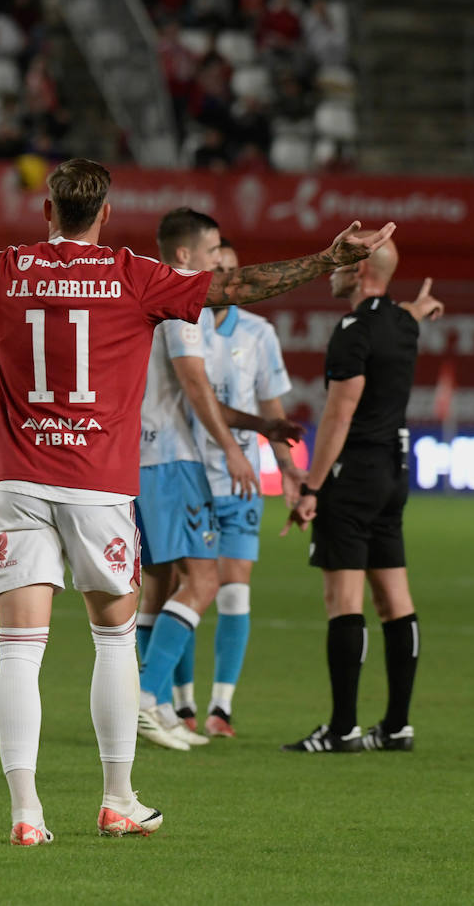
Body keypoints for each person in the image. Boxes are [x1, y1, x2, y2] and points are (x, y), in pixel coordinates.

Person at [0, 157, 395, 844]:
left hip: (20, 483)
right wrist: (328, 256)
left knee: (19, 651)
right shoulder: (134, 275)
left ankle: (26, 811)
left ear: (47, 213)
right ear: (107, 215)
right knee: (114, 640)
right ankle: (117, 797)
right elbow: (238, 284)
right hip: (98, 487)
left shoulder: (4, 268)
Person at [132, 209, 296, 752]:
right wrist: (235, 449)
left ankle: (157, 706)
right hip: (176, 461)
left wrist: (260, 426)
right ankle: (143, 698)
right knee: (202, 583)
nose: (214, 266)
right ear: (186, 256)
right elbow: (196, 385)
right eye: (209, 254)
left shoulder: (142, 292)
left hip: (141, 456)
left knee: (158, 588)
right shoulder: (180, 305)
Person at [279, 236, 442, 754]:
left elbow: (338, 415)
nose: (332, 269)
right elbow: (405, 317)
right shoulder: (401, 323)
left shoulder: (352, 331)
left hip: (352, 476)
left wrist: (311, 487)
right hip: (394, 473)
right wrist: (418, 306)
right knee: (395, 599)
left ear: (361, 269)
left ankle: (343, 728)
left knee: (343, 601)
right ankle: (396, 726)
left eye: (342, 261)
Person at [174, 237, 302, 739]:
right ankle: (182, 704)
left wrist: (288, 468)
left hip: (242, 477)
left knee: (234, 591)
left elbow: (273, 412)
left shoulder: (259, 332)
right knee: (192, 589)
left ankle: (220, 708)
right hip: (191, 474)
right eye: (217, 268)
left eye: (232, 269)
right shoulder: (183, 322)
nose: (225, 277)